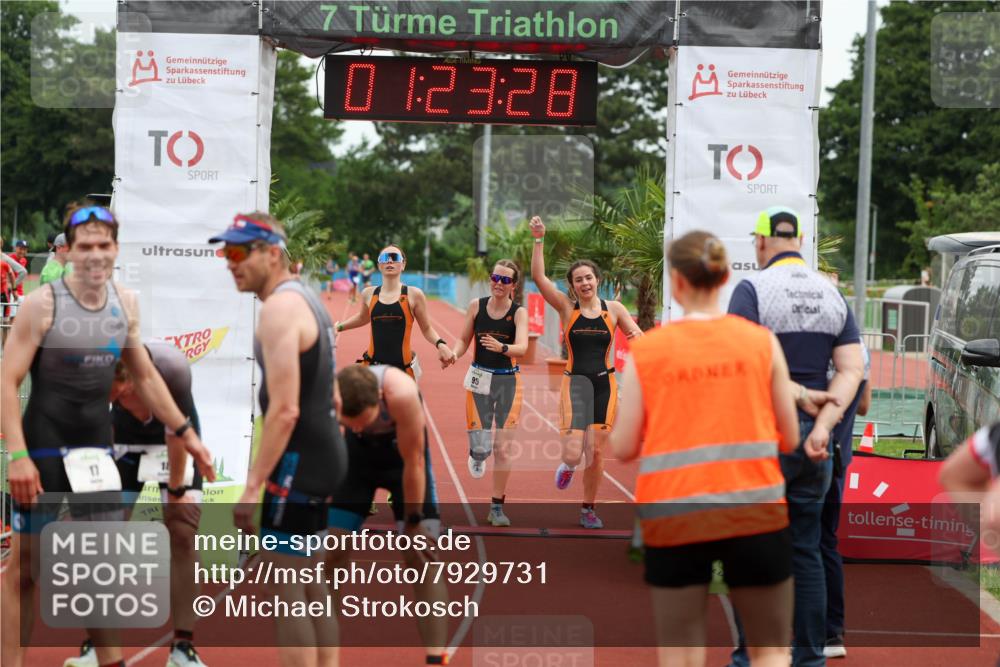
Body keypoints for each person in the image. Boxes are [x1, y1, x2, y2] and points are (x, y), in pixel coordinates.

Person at [1, 203, 215, 667]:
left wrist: (185, 431)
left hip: (94, 446)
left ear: (116, 248)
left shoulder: (125, 301)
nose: (95, 256)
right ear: (69, 250)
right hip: (42, 447)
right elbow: (6, 379)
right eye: (85, 247)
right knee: (25, 571)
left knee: (100, 566)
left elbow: (144, 373)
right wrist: (17, 455)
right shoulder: (42, 303)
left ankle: (109, 660)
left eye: (104, 245)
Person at [610, 230, 803, 667]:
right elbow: (789, 438)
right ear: (726, 277)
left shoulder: (650, 351)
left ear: (675, 281)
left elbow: (622, 446)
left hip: (675, 513)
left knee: (681, 652)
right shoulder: (761, 343)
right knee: (771, 650)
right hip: (755, 509)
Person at [727, 206, 864, 667]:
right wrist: (823, 425)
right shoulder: (831, 294)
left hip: (763, 432)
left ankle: (753, 656)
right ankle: (809, 659)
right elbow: (852, 370)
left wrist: (798, 394)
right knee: (806, 550)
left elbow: (744, 364)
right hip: (815, 443)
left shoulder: (752, 289)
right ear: (800, 239)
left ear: (762, 241)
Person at [214, 212, 346, 667]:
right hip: (324, 452)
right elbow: (330, 392)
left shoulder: (279, 309)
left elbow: (286, 410)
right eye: (223, 252)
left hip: (299, 463)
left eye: (237, 252)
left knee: (288, 587)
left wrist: (251, 488)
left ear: (272, 254)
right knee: (312, 584)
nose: (229, 263)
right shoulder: (307, 298)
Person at [65, 341, 210, 667]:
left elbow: (178, 432)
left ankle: (183, 648)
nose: (112, 400)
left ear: (132, 379)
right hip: (123, 445)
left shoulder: (171, 369)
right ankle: (97, 645)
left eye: (117, 394)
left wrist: (175, 492)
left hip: (172, 443)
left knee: (184, 533)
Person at [328, 364, 448, 666]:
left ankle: (436, 657)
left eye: (361, 422)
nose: (356, 427)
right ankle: (322, 649)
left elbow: (415, 464)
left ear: (378, 401)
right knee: (331, 550)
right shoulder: (334, 393)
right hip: (358, 462)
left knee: (420, 556)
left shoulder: (403, 394)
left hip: (402, 461)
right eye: (349, 423)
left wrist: (414, 522)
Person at [528, 216, 642, 529]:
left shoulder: (614, 309)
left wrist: (641, 340)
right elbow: (538, 277)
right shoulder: (567, 308)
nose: (585, 283)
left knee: (595, 451)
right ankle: (566, 467)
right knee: (572, 454)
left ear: (597, 280)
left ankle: (588, 509)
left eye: (589, 278)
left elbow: (634, 333)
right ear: (572, 285)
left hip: (605, 385)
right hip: (575, 385)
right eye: (579, 279)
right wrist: (539, 239)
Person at [451, 260, 528, 526]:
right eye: (496, 277)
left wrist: (502, 348)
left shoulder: (519, 313)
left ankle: (496, 507)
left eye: (505, 280)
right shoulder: (476, 306)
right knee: (482, 447)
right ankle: (477, 453)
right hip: (479, 379)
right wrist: (453, 353)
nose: (498, 283)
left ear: (513, 287)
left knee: (504, 449)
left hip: (508, 382)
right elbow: (463, 339)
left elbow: (523, 347)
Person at [820, 342, 871, 660]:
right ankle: (832, 631)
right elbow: (864, 405)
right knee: (826, 542)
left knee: (795, 542)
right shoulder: (859, 350)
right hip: (839, 454)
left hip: (803, 451)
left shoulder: (800, 346)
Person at [336, 244, 456, 379]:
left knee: (412, 401)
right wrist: (338, 327)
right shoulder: (368, 293)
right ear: (379, 265)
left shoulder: (414, 295)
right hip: (373, 368)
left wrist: (441, 345)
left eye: (394, 257)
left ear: (403, 264)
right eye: (384, 258)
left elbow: (427, 328)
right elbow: (362, 318)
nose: (389, 261)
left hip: (403, 370)